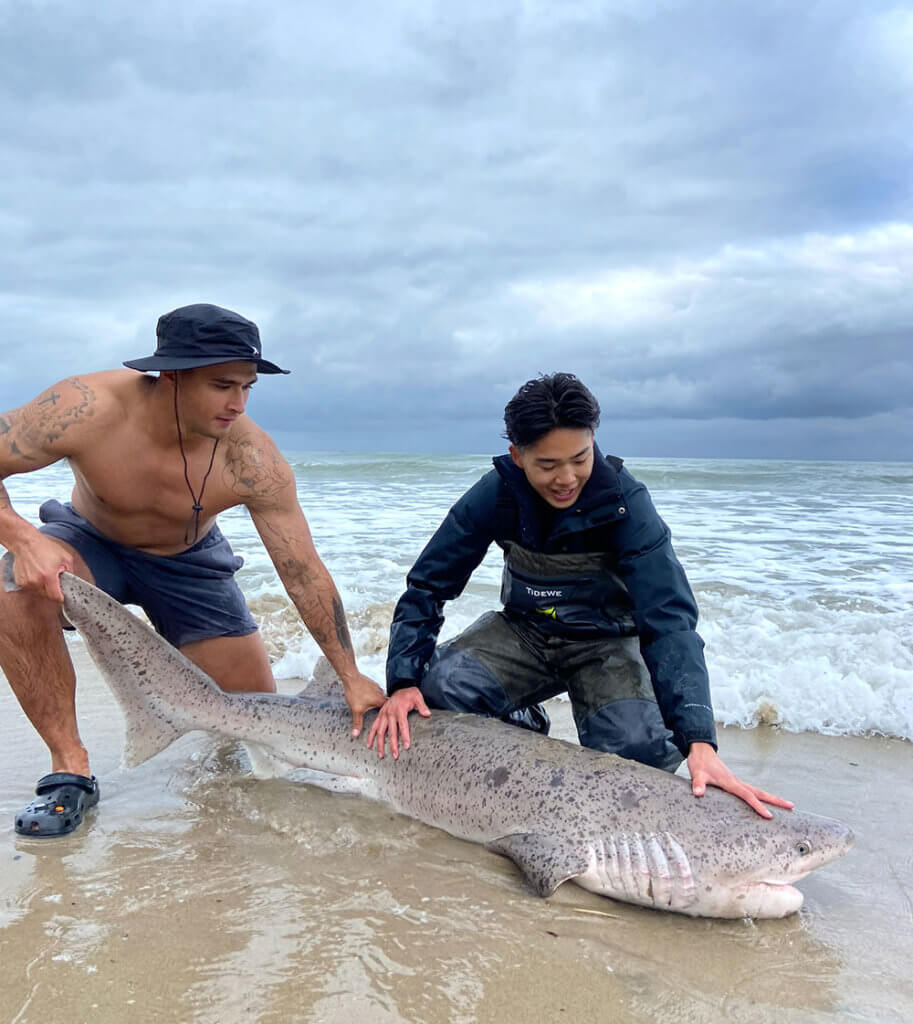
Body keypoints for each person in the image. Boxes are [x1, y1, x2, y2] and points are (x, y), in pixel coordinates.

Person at [0, 303, 386, 837]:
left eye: (248, 387)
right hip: (92, 542)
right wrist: (22, 539)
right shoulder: (85, 407)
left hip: (191, 564)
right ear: (171, 375)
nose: (238, 403)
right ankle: (69, 768)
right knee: (12, 590)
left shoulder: (252, 459)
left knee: (251, 720)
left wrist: (350, 675)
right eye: (223, 384)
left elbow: (302, 571)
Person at [368, 372, 792, 819]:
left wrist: (699, 741)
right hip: (525, 634)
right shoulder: (496, 495)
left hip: (605, 644)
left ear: (594, 441)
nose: (567, 478)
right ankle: (524, 728)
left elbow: (670, 621)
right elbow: (428, 585)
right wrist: (403, 681)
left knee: (639, 751)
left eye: (580, 458)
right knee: (436, 693)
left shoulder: (627, 504)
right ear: (517, 456)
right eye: (548, 465)